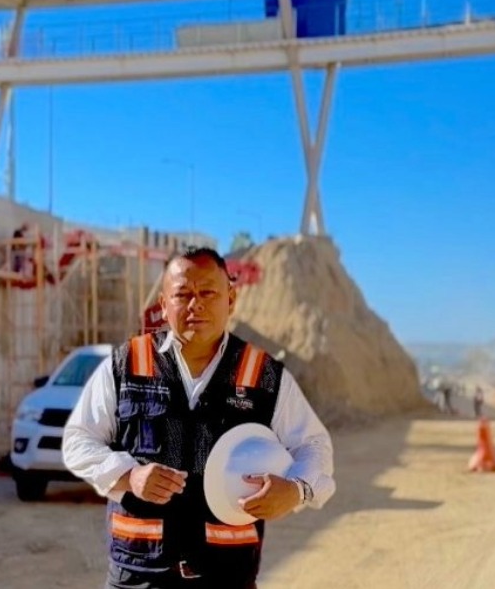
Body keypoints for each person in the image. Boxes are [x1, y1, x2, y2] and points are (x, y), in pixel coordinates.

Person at [62, 246, 335, 589]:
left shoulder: (262, 374)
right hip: (139, 574)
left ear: (231, 299)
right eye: (183, 294)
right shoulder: (127, 364)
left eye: (208, 292)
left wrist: (297, 490)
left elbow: (312, 444)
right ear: (163, 304)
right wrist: (128, 475)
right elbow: (77, 441)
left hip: (227, 575)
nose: (196, 304)